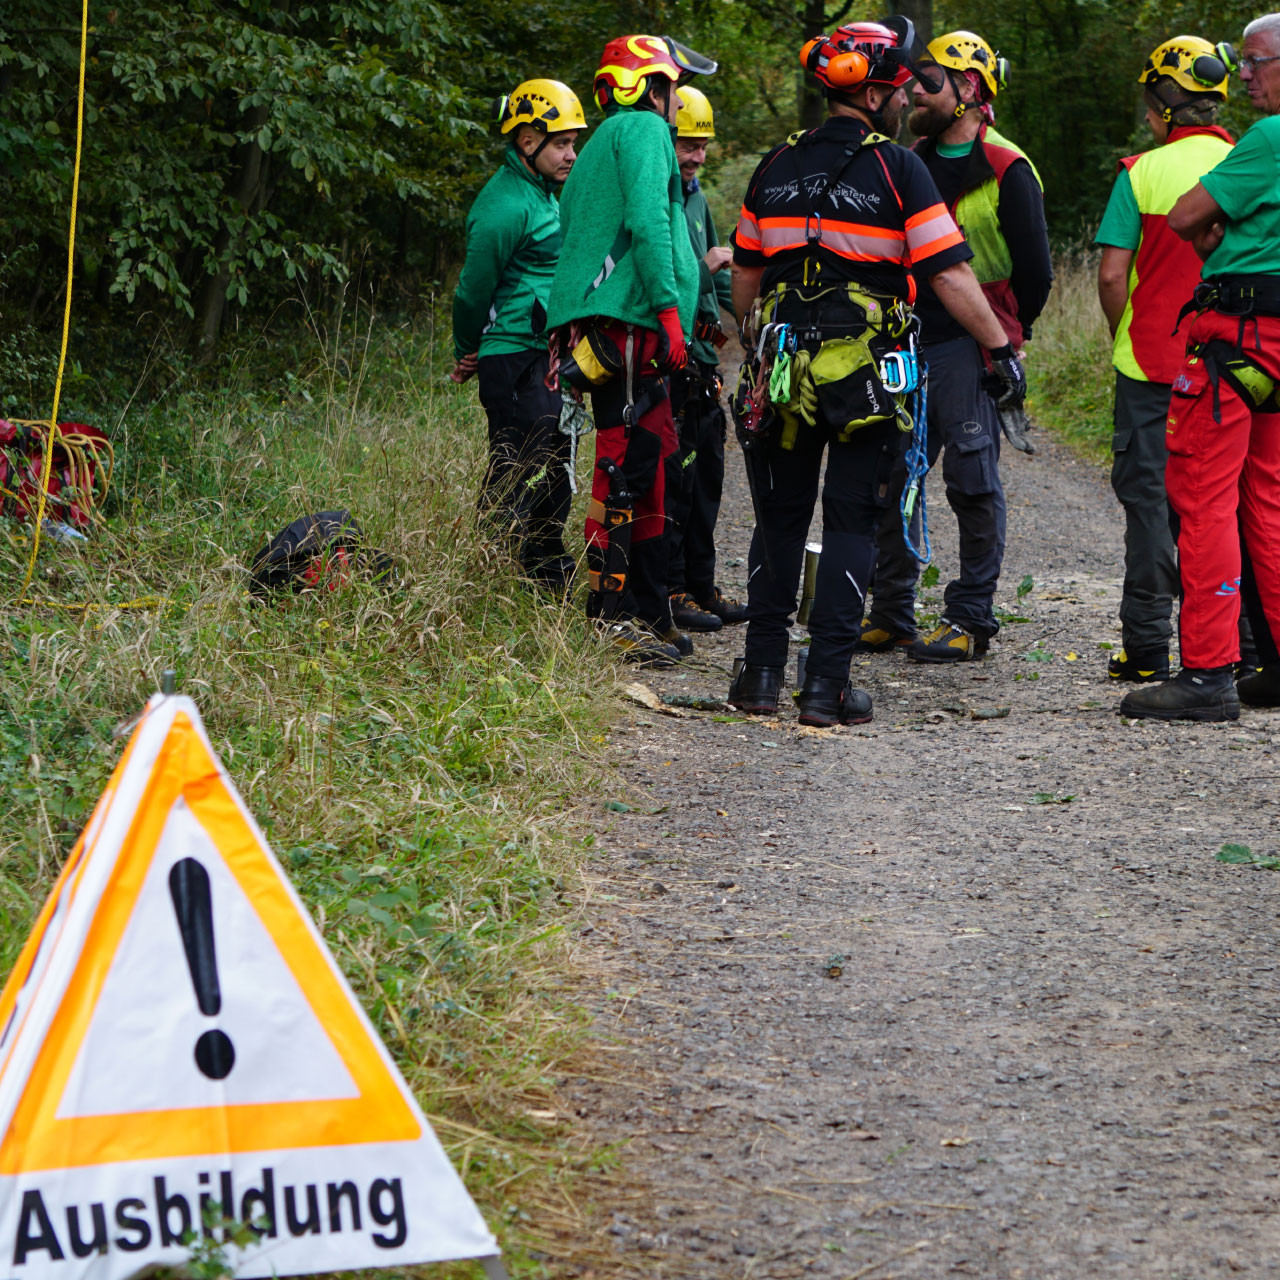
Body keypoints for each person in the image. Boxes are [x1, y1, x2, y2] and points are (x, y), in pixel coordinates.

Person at [726, 17, 1026, 728]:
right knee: (852, 520)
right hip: (865, 378)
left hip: (783, 373)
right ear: (875, 95)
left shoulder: (775, 165)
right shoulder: (899, 168)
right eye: (898, 91)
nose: (904, 100)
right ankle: (825, 687)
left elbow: (745, 280)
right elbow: (948, 274)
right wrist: (999, 350)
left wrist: (760, 340)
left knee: (780, 520)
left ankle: (760, 676)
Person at [860, 30, 1053, 663]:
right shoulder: (906, 160)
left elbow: (1037, 272)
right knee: (892, 474)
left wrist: (1005, 337)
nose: (914, 90)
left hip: (968, 349)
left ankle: (970, 618)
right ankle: (891, 612)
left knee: (972, 480)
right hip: (904, 339)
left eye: (930, 80)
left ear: (968, 87)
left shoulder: (1007, 167)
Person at [1122, 13, 1280, 721]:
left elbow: (1188, 217)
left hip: (1237, 338)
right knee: (1267, 500)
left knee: (1202, 497)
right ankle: (1274, 663)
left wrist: (1221, 230)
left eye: (1253, 62)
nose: (1241, 76)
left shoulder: (1268, 138)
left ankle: (1209, 672)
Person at [546, 35, 716, 666]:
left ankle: (650, 608)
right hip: (630, 327)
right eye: (671, 86)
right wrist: (669, 311)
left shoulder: (603, 142)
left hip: (628, 327)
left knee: (652, 464)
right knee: (621, 472)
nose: (676, 100)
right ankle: (609, 618)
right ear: (650, 86)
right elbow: (648, 222)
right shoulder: (643, 130)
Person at [1095, 38, 1234, 684]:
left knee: (1151, 505)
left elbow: (1111, 275)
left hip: (1149, 366)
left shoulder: (1140, 173)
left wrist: (1123, 330)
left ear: (1165, 108)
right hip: (1233, 362)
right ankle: (1243, 647)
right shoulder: (1247, 164)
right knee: (1227, 502)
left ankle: (1148, 649)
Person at [451, 80, 586, 591]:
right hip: (514, 355)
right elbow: (472, 290)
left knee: (557, 461)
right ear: (527, 141)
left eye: (573, 143)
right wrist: (468, 349)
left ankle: (545, 566)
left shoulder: (543, 194)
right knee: (518, 464)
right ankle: (483, 576)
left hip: (545, 354)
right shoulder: (505, 205)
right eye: (561, 144)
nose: (571, 155)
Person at [664, 85, 747, 635]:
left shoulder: (695, 199)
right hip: (669, 362)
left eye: (702, 146)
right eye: (686, 145)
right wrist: (706, 266)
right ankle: (671, 587)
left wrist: (741, 322)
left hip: (702, 363)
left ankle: (701, 583)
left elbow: (717, 281)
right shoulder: (659, 198)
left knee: (707, 476)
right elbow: (662, 277)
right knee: (676, 479)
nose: (696, 156)